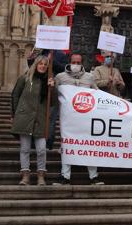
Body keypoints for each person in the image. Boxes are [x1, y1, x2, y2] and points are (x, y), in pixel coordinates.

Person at [52, 53, 104, 186]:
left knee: (89, 147)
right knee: (67, 146)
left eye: (78, 62)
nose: (76, 64)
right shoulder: (60, 77)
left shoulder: (89, 77)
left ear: (82, 63)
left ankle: (93, 177)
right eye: (73, 62)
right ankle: (65, 176)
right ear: (69, 62)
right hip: (67, 120)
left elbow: (97, 94)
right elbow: (54, 95)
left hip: (86, 119)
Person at [10, 55, 56, 186]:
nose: (42, 66)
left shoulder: (49, 81)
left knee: (41, 149)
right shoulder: (25, 78)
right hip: (24, 117)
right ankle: (25, 175)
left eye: (45, 65)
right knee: (25, 149)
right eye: (40, 64)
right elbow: (15, 95)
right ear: (36, 64)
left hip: (40, 119)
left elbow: (52, 102)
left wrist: (51, 88)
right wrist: (14, 113)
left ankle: (41, 175)